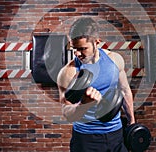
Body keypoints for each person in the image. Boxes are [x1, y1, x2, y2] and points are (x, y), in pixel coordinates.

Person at [57, 17, 135, 152]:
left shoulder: (114, 60)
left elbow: (125, 91)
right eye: (74, 49)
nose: (77, 54)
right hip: (86, 138)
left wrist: (131, 123)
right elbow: (66, 112)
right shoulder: (68, 72)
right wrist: (83, 105)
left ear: (96, 42)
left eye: (83, 49)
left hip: (116, 134)